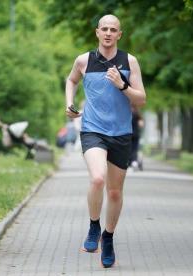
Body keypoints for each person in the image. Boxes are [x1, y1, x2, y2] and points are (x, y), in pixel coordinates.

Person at [65, 14, 146, 268]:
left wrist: (122, 85)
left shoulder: (129, 61)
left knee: (114, 191)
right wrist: (69, 103)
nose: (109, 33)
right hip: (93, 129)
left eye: (114, 29)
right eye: (105, 29)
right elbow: (71, 80)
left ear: (119, 34)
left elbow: (141, 99)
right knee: (97, 178)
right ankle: (93, 226)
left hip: (121, 133)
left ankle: (108, 237)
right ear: (97, 32)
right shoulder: (83, 60)